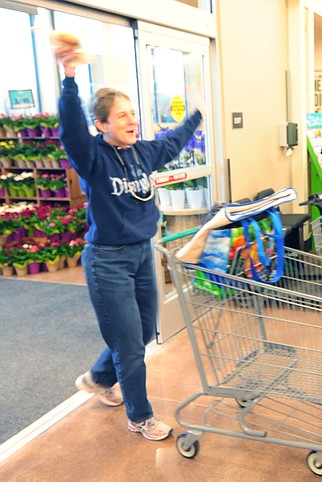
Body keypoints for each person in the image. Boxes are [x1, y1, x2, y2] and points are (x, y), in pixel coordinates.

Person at [55, 40, 203, 441]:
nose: (132, 120)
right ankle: (140, 416)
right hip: (107, 261)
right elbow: (70, 127)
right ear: (102, 125)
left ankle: (98, 378)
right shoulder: (92, 157)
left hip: (141, 255)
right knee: (130, 346)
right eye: (122, 116)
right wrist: (70, 78)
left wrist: (199, 114)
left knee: (138, 333)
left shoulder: (141, 153)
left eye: (133, 113)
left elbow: (172, 143)